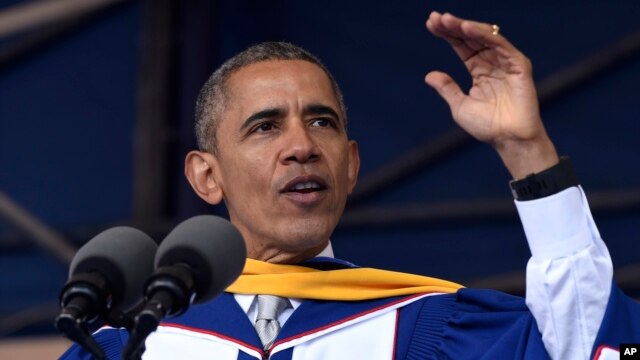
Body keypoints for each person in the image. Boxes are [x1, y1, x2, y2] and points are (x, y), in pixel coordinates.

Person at [60, 11, 640, 360]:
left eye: (322, 122)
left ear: (351, 165)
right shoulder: (133, 345)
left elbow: (589, 349)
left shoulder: (430, 326)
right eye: (265, 127)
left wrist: (523, 147)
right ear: (206, 176)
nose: (302, 146)